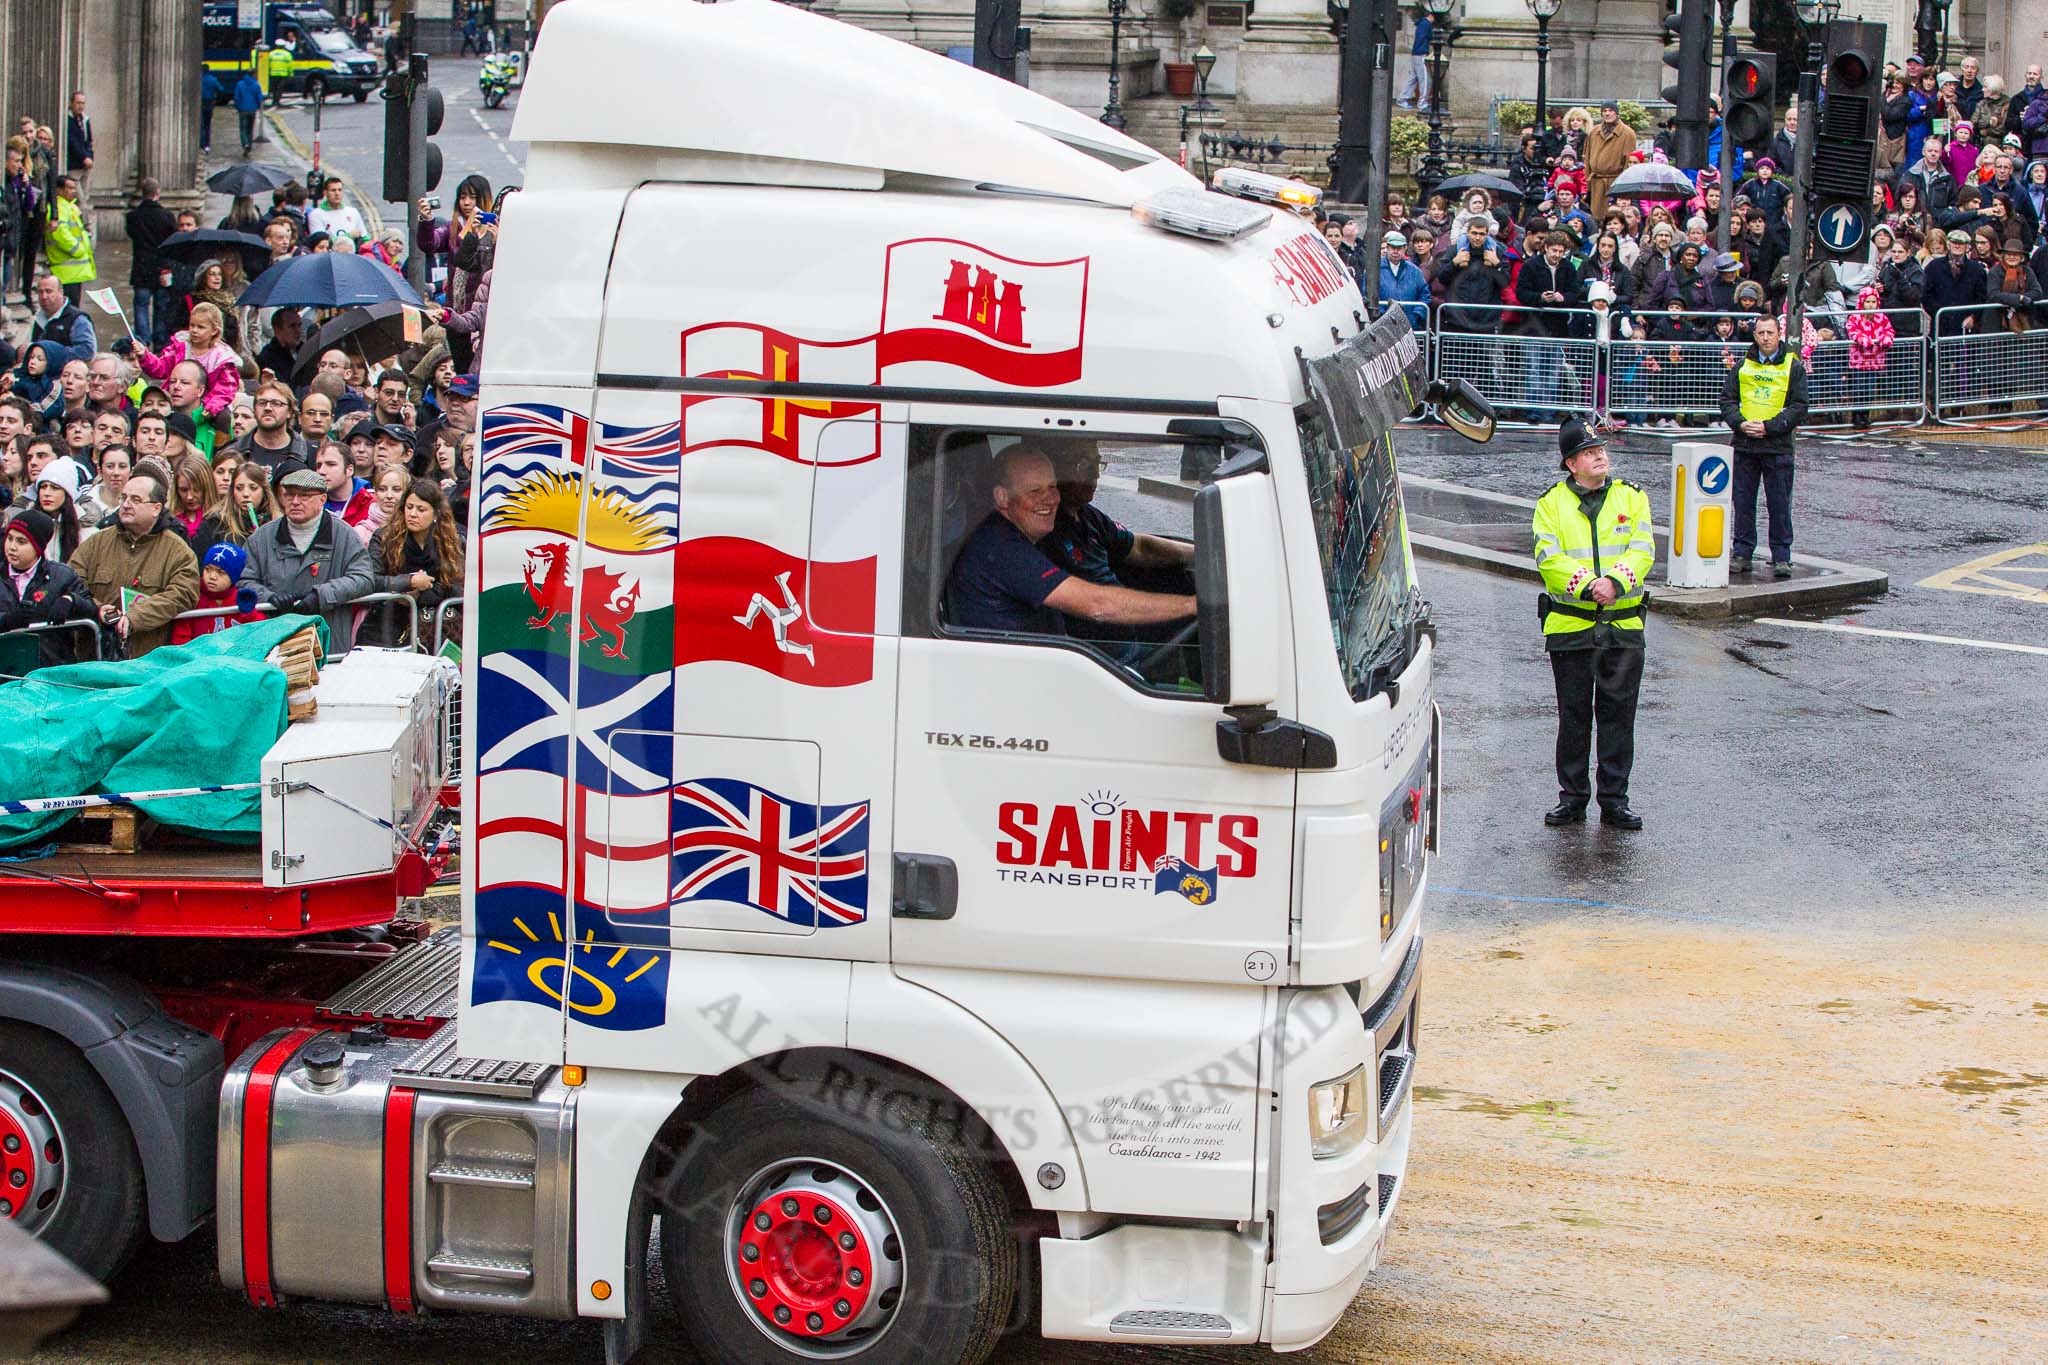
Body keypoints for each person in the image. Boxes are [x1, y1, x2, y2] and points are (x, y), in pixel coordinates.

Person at [1532, 417, 1651, 830]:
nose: (1600, 456)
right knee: (1575, 716)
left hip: (1623, 625)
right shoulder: (1550, 505)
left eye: (1600, 449)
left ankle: (1615, 800)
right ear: (1571, 464)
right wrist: (1589, 586)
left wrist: (1615, 583)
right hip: (1571, 627)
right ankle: (1573, 798)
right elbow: (1549, 559)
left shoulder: (1632, 498)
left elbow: (1643, 549)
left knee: (1619, 716)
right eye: (1588, 452)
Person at [944, 446, 1195, 637]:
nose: (1050, 499)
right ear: (1002, 497)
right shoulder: (1000, 549)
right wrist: (1193, 606)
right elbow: (1098, 605)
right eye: (1034, 491)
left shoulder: (1026, 534)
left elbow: (1135, 547)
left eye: (1052, 487)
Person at [244, 464, 377, 650]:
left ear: (323, 499)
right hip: (275, 641)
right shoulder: (262, 538)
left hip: (327, 642)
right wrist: (269, 598)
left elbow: (363, 578)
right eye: (289, 495)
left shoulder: (344, 535)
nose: (295, 501)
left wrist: (321, 595)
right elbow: (245, 581)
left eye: (304, 496)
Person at [66, 472, 198, 658]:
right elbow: (72, 581)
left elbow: (183, 593)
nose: (126, 504)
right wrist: (96, 608)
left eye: (136, 499)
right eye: (124, 497)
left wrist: (136, 617)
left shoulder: (178, 551)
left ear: (156, 508)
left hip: (146, 659)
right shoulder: (96, 542)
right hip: (94, 656)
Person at [1718, 314, 1808, 578]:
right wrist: (1740, 424)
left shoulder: (1793, 367)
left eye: (1770, 333)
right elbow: (1727, 401)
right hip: (1746, 445)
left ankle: (1781, 557)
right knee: (1743, 503)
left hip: (1777, 446)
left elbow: (1799, 406)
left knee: (1779, 504)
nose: (1766, 338)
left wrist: (1771, 427)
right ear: (1754, 335)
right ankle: (1742, 553)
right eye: (1761, 333)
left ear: (1779, 334)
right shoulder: (1741, 367)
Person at [362, 478, 463, 647]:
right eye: (409, 507)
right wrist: (408, 581)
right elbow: (370, 580)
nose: (413, 514)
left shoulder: (450, 541)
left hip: (436, 630)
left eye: (421, 509)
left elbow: (457, 585)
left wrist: (420, 594)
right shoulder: (384, 538)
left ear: (436, 513)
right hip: (385, 625)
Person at [0, 508, 99, 665]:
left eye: (21, 542)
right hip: (5, 667)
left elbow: (92, 612)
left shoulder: (62, 576)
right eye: (9, 538)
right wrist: (6, 620)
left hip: (50, 667)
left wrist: (71, 601)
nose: (12, 547)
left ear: (38, 546)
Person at [126, 302, 241, 425]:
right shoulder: (180, 347)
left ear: (214, 331)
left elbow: (226, 388)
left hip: (206, 404)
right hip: (174, 397)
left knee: (224, 418)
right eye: (192, 325)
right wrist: (145, 356)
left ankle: (221, 444)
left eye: (201, 327)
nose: (194, 330)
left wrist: (212, 404)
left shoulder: (222, 358)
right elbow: (160, 368)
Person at [168, 542, 262, 645]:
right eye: (208, 569)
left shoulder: (241, 599)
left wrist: (249, 613)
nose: (212, 576)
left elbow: (258, 632)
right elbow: (180, 638)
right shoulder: (193, 597)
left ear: (233, 577)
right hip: (197, 658)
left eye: (221, 572)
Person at [125, 178, 177, 349]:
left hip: (141, 267)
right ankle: (160, 342)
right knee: (161, 307)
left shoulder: (133, 217)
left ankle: (142, 341)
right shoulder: (167, 216)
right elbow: (172, 242)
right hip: (162, 267)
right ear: (158, 193)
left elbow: (132, 235)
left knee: (141, 305)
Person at [224, 380, 310, 472]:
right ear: (255, 410)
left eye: (276, 403)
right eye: (262, 402)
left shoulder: (307, 452)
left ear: (290, 411)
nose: (267, 408)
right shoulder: (233, 451)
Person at [41, 177, 92, 305]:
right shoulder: (60, 207)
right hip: (66, 267)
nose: (74, 191)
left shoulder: (70, 207)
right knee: (68, 306)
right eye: (70, 188)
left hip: (73, 269)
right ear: (59, 190)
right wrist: (78, 250)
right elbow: (61, 233)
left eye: (74, 188)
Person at [29, 273, 96, 367]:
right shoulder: (39, 317)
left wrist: (51, 354)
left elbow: (87, 351)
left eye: (49, 291)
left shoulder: (78, 319)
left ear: (60, 292)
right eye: (40, 292)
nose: (44, 297)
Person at [1583, 101, 1634, 219]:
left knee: (1615, 216)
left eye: (1610, 111)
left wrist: (1624, 187)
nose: (1607, 114)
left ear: (1616, 113)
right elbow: (1587, 159)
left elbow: (1630, 161)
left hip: (1615, 181)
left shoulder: (1627, 133)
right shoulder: (1594, 132)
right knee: (1595, 217)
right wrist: (1586, 185)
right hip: (1596, 181)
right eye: (1604, 111)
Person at [1379, 231, 1430, 328]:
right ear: (1388, 248)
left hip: (1410, 326)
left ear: (1405, 248)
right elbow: (1368, 295)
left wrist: (1416, 315)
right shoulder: (1375, 270)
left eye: (1399, 248)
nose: (1395, 251)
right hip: (1382, 326)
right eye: (1393, 247)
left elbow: (1424, 296)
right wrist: (1381, 315)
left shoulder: (1415, 271)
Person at [305, 176, 366, 241]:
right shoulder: (316, 214)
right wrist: (348, 236)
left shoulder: (353, 212)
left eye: (339, 190)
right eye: (333, 190)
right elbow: (320, 242)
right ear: (325, 193)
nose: (337, 193)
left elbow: (365, 237)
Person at [1396, 5, 1431, 110]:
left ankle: (1402, 99)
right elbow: (1424, 38)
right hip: (1421, 54)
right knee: (1425, 78)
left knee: (1413, 78)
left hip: (1416, 53)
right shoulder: (1426, 24)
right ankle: (1422, 103)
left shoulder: (1422, 23)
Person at [232, 68, 264, 156]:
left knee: (243, 129)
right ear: (253, 74)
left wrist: (238, 107)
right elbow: (260, 98)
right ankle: (249, 145)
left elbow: (236, 97)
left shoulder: (239, 84)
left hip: (242, 110)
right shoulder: (256, 85)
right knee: (250, 129)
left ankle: (245, 144)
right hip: (252, 110)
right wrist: (256, 107)